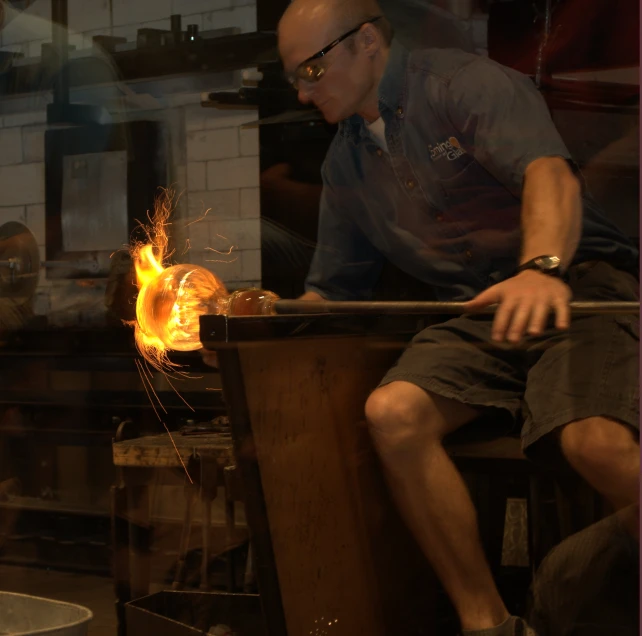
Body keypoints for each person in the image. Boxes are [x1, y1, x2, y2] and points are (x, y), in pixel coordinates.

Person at [277, 1, 640, 635]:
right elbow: (331, 294)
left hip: (578, 285)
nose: (305, 92)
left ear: (364, 41)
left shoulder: (459, 83)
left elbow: (549, 174)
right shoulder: (346, 163)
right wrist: (249, 309)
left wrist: (543, 266)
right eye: (294, 78)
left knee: (595, 443)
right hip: (482, 308)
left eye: (312, 68)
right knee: (394, 414)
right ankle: (491, 625)